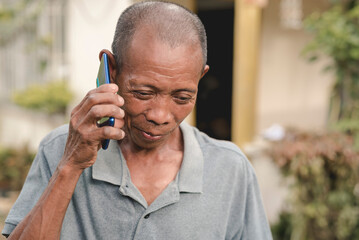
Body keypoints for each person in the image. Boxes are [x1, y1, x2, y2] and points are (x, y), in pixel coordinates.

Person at [2, 1, 272, 239]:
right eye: (143, 93)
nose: (160, 115)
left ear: (200, 79)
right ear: (111, 70)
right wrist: (70, 165)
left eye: (182, 97)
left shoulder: (230, 168)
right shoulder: (60, 150)